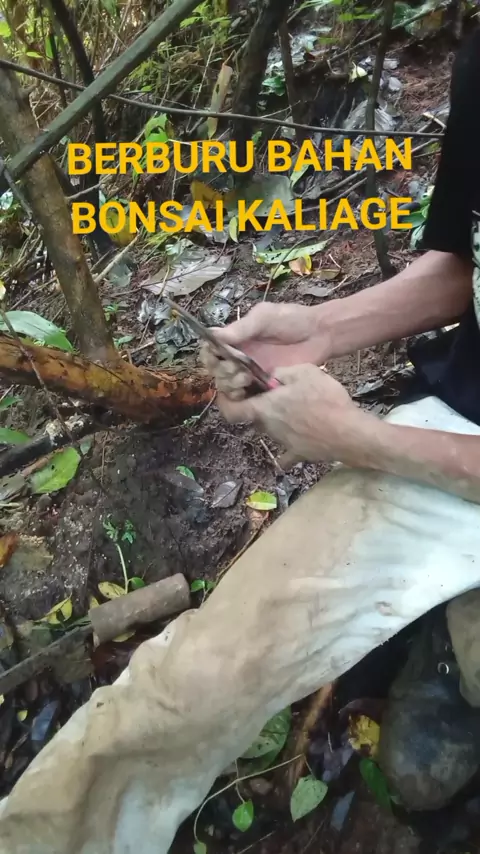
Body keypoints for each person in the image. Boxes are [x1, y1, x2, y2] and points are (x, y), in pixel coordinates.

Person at [2, 27, 480, 854]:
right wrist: (322, 328)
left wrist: (359, 439)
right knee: (190, 681)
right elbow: (461, 265)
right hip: (459, 429)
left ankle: (456, 652)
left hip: (425, 456)